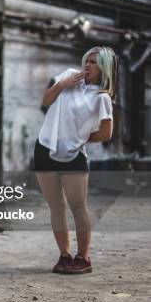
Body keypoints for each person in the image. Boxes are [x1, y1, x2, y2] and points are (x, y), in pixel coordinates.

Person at [34, 47, 117, 274]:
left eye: (94, 62)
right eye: (87, 61)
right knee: (56, 207)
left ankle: (83, 257)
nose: (88, 65)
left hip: (74, 156)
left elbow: (105, 133)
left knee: (78, 207)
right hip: (44, 148)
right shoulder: (67, 76)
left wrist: (78, 138)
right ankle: (64, 255)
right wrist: (62, 84)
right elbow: (46, 100)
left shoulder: (101, 98)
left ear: (105, 68)